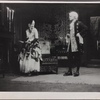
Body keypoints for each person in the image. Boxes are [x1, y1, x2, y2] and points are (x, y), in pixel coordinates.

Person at [63, 11, 88, 77]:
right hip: (71, 43)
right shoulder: (71, 24)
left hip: (76, 43)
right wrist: (68, 35)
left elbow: (86, 29)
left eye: (70, 16)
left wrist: (79, 34)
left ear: (74, 17)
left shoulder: (79, 23)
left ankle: (77, 71)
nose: (69, 17)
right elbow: (70, 32)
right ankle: (70, 71)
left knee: (77, 57)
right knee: (69, 56)